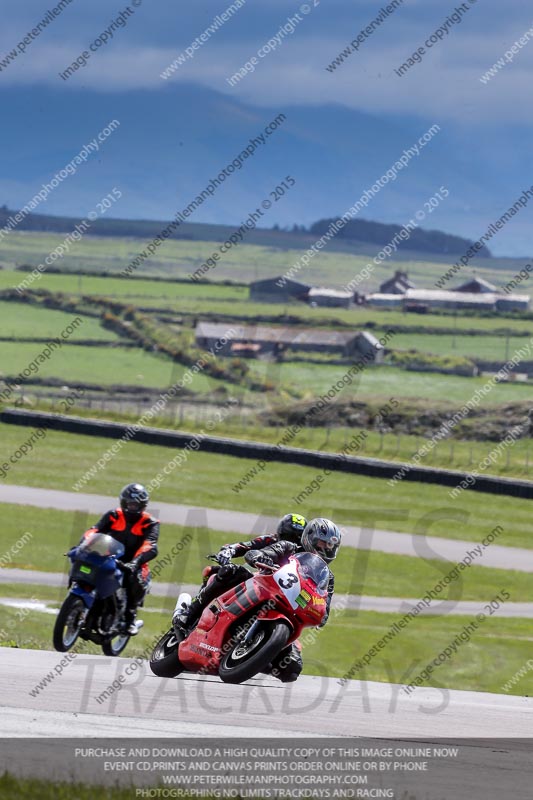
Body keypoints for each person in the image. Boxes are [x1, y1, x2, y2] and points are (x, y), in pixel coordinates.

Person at [173, 513, 308, 647]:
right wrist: (228, 551)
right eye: (288, 537)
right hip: (257, 582)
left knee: (294, 663)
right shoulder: (270, 540)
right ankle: (188, 614)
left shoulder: (304, 561)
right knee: (229, 571)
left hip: (282, 595)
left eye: (296, 539)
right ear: (280, 533)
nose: (290, 542)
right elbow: (244, 546)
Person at [244, 517, 341, 681]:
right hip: (260, 590)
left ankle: (249, 661)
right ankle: (187, 614)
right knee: (230, 573)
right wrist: (260, 557)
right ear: (310, 538)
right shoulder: (288, 547)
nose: (326, 548)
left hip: (288, 612)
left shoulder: (327, 577)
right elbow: (261, 553)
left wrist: (321, 614)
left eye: (330, 545)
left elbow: (325, 605)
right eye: (322, 543)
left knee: (292, 668)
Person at [79, 483, 159, 635]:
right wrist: (82, 546)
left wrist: (135, 562)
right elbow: (95, 530)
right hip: (110, 556)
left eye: (136, 505)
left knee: (134, 579)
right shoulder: (113, 515)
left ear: (143, 505)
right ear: (123, 502)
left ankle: (130, 618)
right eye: (130, 504)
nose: (132, 507)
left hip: (136, 562)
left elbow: (151, 545)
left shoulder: (150, 523)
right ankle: (86, 606)